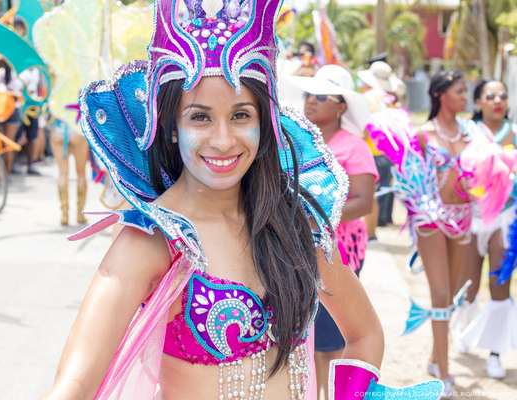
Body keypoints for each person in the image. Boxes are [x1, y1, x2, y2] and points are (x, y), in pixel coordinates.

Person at [36, 0, 397, 398]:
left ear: (266, 122)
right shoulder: (154, 242)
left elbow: (364, 333)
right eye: (200, 117)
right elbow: (75, 385)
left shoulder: (293, 224)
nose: (223, 140)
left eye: (241, 115)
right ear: (170, 125)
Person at [286, 65, 378, 399]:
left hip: (338, 251)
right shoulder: (298, 141)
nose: (310, 101)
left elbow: (364, 203)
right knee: (304, 328)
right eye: (309, 94)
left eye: (321, 96)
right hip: (296, 248)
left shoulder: (355, 147)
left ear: (341, 106)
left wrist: (314, 219)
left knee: (332, 331)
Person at [453, 79, 517, 379]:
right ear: (477, 102)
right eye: (489, 96)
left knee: (499, 286)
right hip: (471, 218)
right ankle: (462, 329)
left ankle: (495, 353)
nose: (497, 100)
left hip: (505, 219)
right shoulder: (467, 131)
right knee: (468, 286)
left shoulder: (514, 133)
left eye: (502, 95)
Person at [416, 69, 473, 398]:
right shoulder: (423, 134)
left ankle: (434, 357)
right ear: (439, 94)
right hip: (431, 218)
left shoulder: (472, 134)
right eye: (460, 91)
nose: (465, 97)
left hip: (464, 216)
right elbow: (410, 175)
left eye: (466, 91)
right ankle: (444, 375)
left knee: (450, 295)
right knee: (439, 294)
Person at [357, 61, 408, 241]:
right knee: (385, 188)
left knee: (370, 193)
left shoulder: (369, 97)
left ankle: (371, 232)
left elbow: (364, 126)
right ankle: (383, 220)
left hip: (372, 150)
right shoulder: (390, 99)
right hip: (388, 152)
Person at [48, 118, 89, 225]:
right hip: (76, 128)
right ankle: (80, 214)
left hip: (58, 129)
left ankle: (64, 214)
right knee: (81, 173)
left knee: (63, 173)